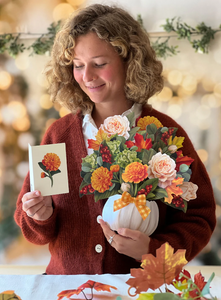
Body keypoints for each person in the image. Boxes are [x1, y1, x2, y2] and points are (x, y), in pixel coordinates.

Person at [14, 4, 216, 275]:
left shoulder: (167, 135)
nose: (87, 77)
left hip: (139, 289)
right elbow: (34, 231)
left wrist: (153, 251)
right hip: (66, 290)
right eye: (78, 65)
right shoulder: (58, 136)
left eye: (99, 64)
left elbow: (199, 218)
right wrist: (40, 215)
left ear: (129, 61)